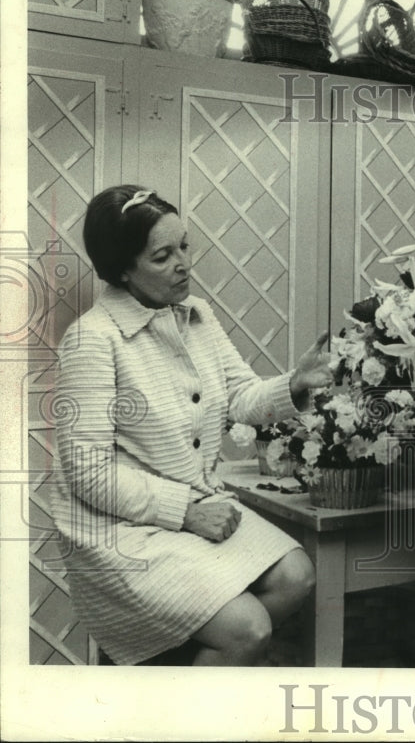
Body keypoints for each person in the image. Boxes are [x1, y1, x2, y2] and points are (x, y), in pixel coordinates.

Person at [52, 185, 332, 666]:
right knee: (249, 628)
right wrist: (184, 511)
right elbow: (88, 473)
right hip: (119, 530)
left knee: (297, 576)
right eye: (163, 256)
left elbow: (241, 397)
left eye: (184, 246)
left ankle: (178, 682)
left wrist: (296, 383)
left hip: (196, 508)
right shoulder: (92, 340)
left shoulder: (197, 315)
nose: (184, 263)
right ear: (122, 269)